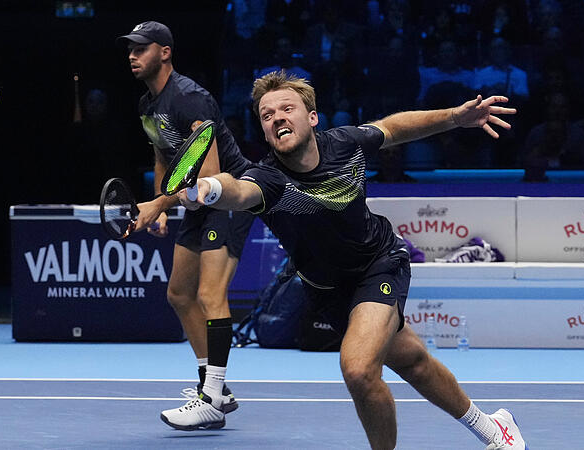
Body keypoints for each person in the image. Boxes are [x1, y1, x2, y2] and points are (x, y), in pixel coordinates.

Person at [177, 70, 526, 449]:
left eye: (287, 108)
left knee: (358, 369)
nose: (277, 117)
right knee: (413, 363)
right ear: (264, 131)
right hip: (329, 293)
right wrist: (206, 188)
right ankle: (495, 430)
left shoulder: (345, 144)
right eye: (267, 114)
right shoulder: (269, 180)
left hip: (379, 264)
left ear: (312, 117)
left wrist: (454, 118)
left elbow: (394, 127)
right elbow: (237, 191)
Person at [115, 21, 255, 430]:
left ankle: (212, 397)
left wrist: (157, 203)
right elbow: (164, 157)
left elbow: (209, 177)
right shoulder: (147, 106)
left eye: (141, 48)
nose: (132, 55)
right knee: (179, 294)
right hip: (195, 204)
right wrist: (162, 206)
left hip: (229, 197)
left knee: (211, 295)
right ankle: (215, 389)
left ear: (165, 52)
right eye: (130, 49)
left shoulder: (191, 99)